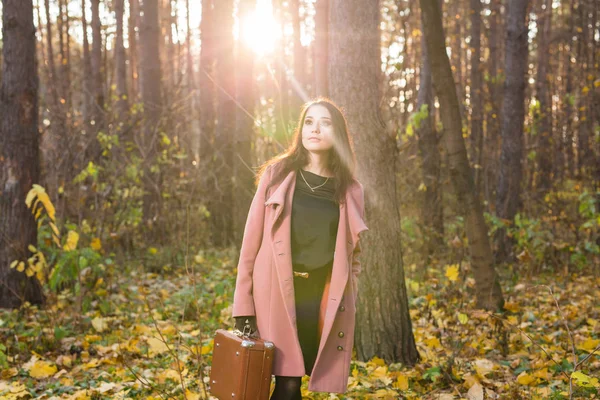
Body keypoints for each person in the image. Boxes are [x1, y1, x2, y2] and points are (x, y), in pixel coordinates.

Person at [232, 98, 368, 399]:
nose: (315, 129)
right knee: (288, 380)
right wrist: (243, 306)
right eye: (309, 122)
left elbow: (353, 253)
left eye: (325, 123)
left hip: (319, 297)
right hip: (275, 295)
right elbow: (250, 244)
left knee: (297, 378)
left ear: (338, 134)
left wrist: (349, 292)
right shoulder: (277, 175)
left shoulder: (350, 189)